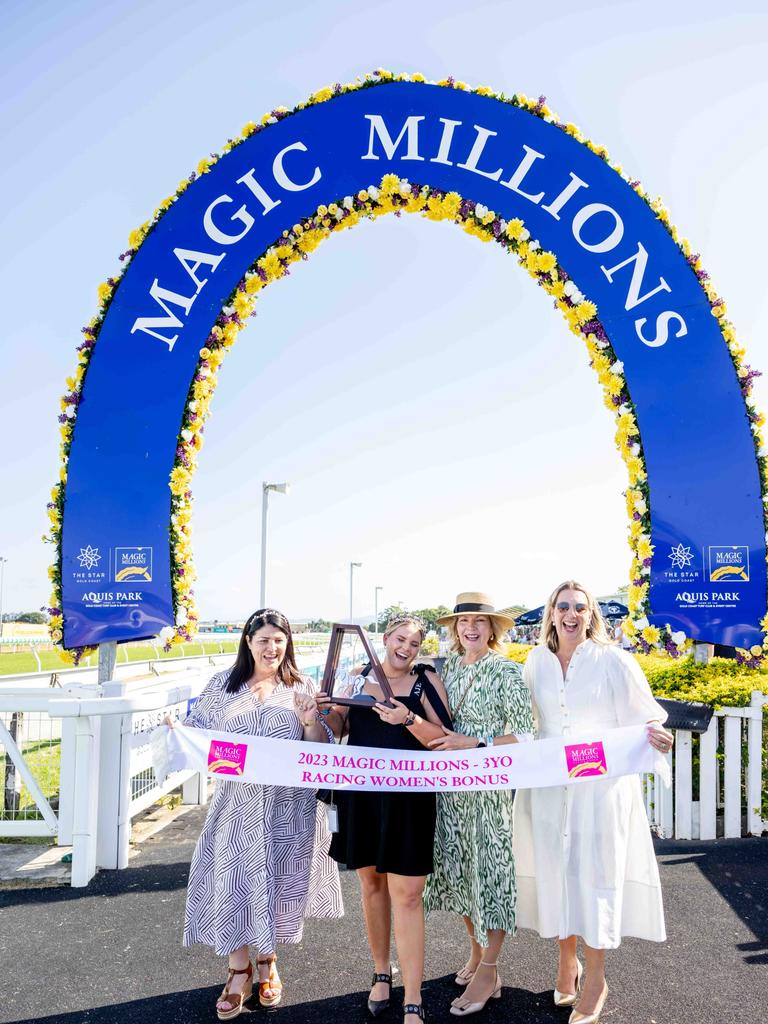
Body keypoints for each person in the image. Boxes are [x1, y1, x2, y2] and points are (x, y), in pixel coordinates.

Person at [513, 581, 674, 1024]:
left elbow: (650, 717)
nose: (570, 614)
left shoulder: (615, 661)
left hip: (600, 793)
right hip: (548, 790)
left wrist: (659, 736)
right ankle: (567, 963)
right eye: (562, 606)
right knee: (556, 872)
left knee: (596, 875)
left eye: (579, 608)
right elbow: (525, 725)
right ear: (550, 613)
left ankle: (597, 978)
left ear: (591, 614)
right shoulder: (534, 662)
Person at [177, 608, 343, 1020]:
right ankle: (238, 969)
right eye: (264, 640)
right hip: (238, 804)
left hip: (290, 806)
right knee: (233, 879)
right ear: (248, 643)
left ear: (288, 644)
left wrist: (308, 719)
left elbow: (319, 748)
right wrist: (177, 731)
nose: (272, 648)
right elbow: (202, 740)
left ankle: (268, 962)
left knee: (275, 882)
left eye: (279, 640)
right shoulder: (223, 686)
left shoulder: (302, 685)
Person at [317, 614, 452, 1024]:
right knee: (371, 884)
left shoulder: (424, 681)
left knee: (408, 895)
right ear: (384, 638)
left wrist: (407, 719)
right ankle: (381, 972)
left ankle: (413, 996)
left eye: (414, 643)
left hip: (409, 800)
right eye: (400, 639)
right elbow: (336, 726)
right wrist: (321, 712)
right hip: (362, 796)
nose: (406, 648)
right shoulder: (357, 677)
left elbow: (445, 739)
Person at [422, 592, 534, 1017]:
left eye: (479, 621)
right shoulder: (444, 673)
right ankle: (475, 954)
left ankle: (490, 969)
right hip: (449, 790)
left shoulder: (506, 671)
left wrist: (478, 742)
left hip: (487, 788)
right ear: (455, 628)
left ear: (493, 630)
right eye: (463, 621)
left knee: (490, 875)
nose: (470, 628)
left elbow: (527, 736)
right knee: (461, 873)